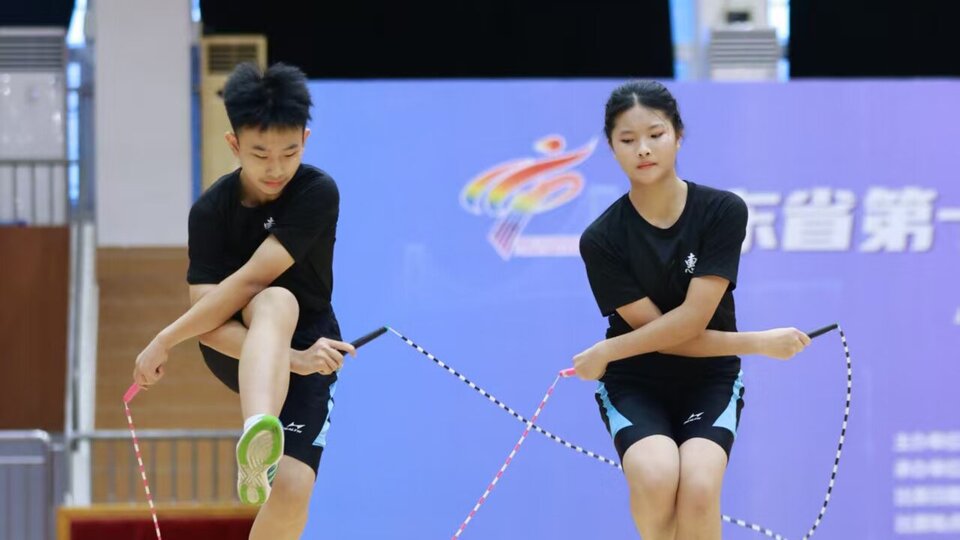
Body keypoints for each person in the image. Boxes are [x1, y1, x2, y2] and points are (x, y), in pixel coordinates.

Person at [574, 80, 811, 539]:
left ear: (678, 136)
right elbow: (667, 336)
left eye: (655, 134)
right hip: (635, 380)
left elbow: (691, 322)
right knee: (657, 476)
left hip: (709, 378)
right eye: (628, 140)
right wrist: (761, 343)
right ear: (612, 148)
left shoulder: (721, 211)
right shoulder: (601, 239)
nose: (643, 149)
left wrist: (606, 350)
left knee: (699, 488)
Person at [133, 62, 354, 540]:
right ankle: (258, 430)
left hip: (312, 343)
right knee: (274, 301)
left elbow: (253, 277)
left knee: (292, 491)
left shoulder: (317, 192)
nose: (276, 168)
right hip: (234, 341)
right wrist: (166, 340)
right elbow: (211, 318)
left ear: (306, 140)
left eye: (289, 152)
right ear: (234, 145)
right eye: (260, 154)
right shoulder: (210, 213)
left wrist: (164, 339)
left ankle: (263, 452)